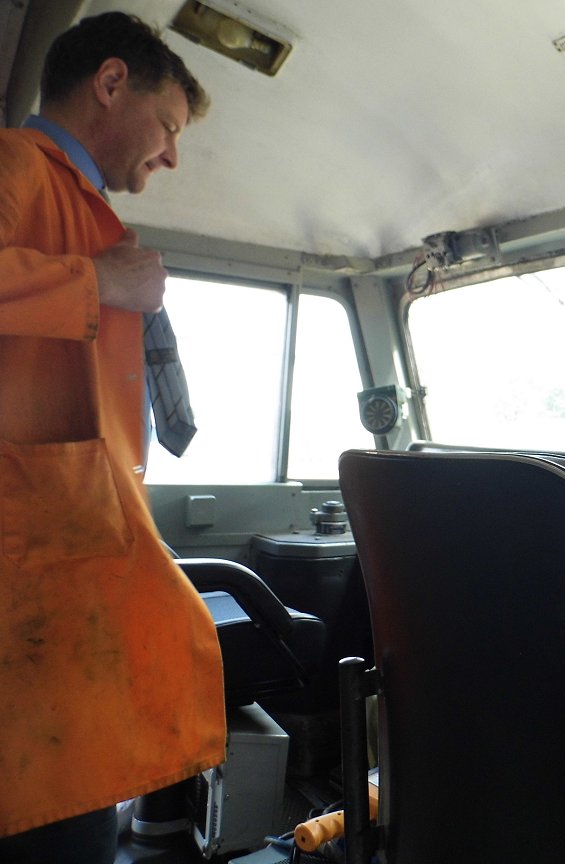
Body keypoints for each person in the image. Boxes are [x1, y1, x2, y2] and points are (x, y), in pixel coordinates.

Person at [0, 12, 225, 863]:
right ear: (110, 83)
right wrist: (96, 282)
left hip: (61, 615)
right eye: (169, 127)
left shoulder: (87, 209)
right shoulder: (18, 164)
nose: (172, 154)